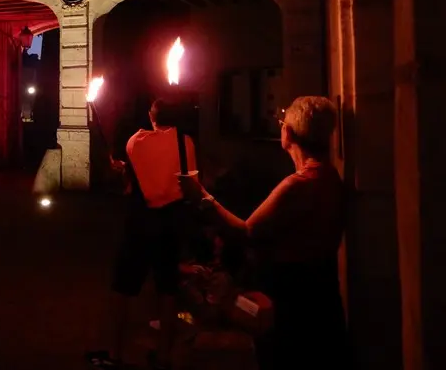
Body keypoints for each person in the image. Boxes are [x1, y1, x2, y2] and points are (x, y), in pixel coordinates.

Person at [192, 96, 348, 370]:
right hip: (322, 293)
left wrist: (203, 197)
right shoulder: (329, 176)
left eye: (282, 123)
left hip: (293, 302)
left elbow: (247, 231)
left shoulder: (298, 185)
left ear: (288, 133)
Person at [86, 99, 199, 370]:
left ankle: (114, 355)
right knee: (168, 290)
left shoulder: (136, 142)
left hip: (140, 224)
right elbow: (188, 182)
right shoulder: (187, 143)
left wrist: (121, 168)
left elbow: (134, 179)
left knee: (122, 288)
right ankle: (163, 357)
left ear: (151, 116)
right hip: (171, 225)